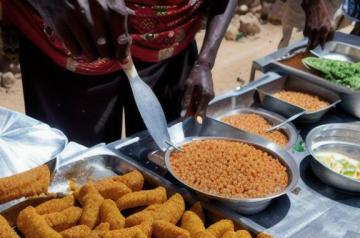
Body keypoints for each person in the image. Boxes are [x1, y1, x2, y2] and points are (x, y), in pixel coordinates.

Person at [2, 0, 236, 146]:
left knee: (164, 160)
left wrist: (204, 62)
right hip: (72, 43)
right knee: (74, 176)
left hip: (171, 47)